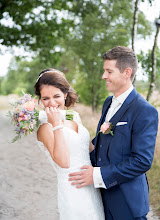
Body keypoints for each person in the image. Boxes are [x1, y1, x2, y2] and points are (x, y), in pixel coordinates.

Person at [69, 46, 159, 219]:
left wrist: (97, 175)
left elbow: (142, 161)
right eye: (104, 71)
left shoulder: (145, 110)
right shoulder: (108, 102)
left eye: (109, 71)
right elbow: (103, 144)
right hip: (101, 199)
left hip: (127, 203)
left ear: (126, 72)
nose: (104, 76)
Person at [34, 68, 105, 220]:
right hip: (73, 192)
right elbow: (64, 162)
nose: (51, 103)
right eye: (45, 98)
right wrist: (56, 125)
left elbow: (88, 148)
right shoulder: (45, 127)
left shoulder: (74, 118)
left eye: (56, 96)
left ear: (65, 94)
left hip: (91, 187)